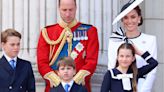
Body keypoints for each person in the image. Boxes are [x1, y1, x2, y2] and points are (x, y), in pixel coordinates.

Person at [37, 0, 99, 92]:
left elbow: (91, 61)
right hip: (54, 88)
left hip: (79, 88)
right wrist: (58, 82)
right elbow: (42, 63)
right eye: (64, 10)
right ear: (59, 9)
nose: (67, 14)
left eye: (71, 10)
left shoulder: (89, 31)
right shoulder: (47, 32)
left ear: (76, 8)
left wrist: (75, 81)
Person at [108, 1, 157, 92]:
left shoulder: (150, 40)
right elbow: (111, 68)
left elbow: (152, 72)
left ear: (139, 18)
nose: (129, 21)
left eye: (133, 17)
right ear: (122, 20)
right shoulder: (114, 40)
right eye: (126, 17)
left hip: (142, 87)